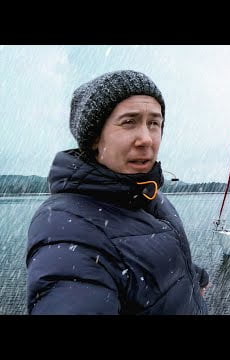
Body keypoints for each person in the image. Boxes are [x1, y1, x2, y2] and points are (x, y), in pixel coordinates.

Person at [26, 70, 209, 314]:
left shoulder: (146, 194)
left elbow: (142, 258)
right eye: (129, 122)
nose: (146, 138)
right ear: (94, 138)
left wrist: (191, 279)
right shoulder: (66, 228)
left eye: (153, 123)